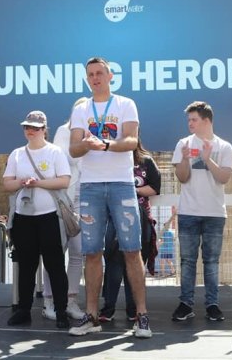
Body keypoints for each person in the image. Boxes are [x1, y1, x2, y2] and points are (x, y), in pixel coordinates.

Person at [68, 57, 151, 338]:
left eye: (99, 73)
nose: (95, 78)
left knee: (132, 250)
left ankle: (141, 316)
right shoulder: (81, 109)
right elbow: (74, 149)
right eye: (90, 74)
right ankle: (91, 316)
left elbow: (131, 141)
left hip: (121, 185)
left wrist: (104, 144)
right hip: (90, 186)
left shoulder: (125, 104)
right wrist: (86, 144)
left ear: (110, 75)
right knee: (92, 252)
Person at [3, 110, 71, 329]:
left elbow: (64, 181)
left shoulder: (55, 152)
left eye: (35, 127)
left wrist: (37, 183)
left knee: (55, 265)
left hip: (49, 216)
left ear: (44, 129)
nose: (30, 131)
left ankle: (61, 311)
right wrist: (22, 182)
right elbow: (7, 184)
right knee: (26, 266)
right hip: (23, 217)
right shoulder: (17, 154)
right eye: (27, 127)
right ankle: (23, 309)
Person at [171, 101, 232, 322]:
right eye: (188, 119)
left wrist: (208, 159)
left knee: (211, 261)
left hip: (214, 212)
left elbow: (224, 178)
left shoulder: (224, 146)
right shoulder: (183, 143)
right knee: (187, 260)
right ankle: (185, 303)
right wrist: (184, 159)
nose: (190, 123)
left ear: (206, 120)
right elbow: (182, 177)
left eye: (194, 119)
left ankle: (212, 304)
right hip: (189, 211)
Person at [99, 135, 160, 322]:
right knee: (113, 263)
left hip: (140, 217)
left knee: (134, 261)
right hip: (113, 219)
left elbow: (155, 187)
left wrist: (133, 190)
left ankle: (134, 309)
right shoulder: (109, 160)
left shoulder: (146, 161)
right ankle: (108, 308)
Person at [41, 98, 88, 322]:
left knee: (78, 252)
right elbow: (65, 157)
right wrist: (84, 145)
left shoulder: (95, 132)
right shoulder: (64, 130)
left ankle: (71, 299)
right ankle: (49, 300)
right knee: (56, 252)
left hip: (84, 199)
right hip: (63, 200)